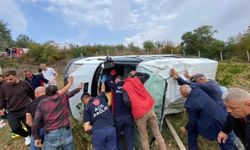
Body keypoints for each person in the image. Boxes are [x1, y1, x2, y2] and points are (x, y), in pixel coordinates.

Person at [32, 76, 83, 150]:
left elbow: (35, 123)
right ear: (56, 92)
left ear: (46, 93)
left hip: (51, 134)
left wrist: (37, 138)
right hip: (66, 132)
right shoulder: (63, 97)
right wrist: (79, 88)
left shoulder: (41, 104)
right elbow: (72, 93)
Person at [180, 85, 234, 150]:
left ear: (183, 95)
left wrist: (186, 128)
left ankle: (192, 148)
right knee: (228, 139)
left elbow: (192, 121)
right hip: (222, 115)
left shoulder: (190, 104)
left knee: (223, 141)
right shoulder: (198, 90)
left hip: (213, 123)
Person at [123, 71, 167, 150]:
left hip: (140, 114)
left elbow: (126, 101)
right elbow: (147, 75)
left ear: (124, 79)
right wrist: (136, 73)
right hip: (149, 109)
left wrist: (132, 107)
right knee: (157, 133)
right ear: (132, 76)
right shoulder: (138, 80)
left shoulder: (125, 87)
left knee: (144, 137)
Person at [0, 70, 35, 145]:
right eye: (6, 80)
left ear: (15, 76)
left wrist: (35, 104)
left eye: (10, 79)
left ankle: (33, 139)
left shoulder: (25, 84)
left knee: (30, 127)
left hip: (26, 109)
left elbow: (32, 94)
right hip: (11, 111)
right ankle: (26, 135)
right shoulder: (3, 86)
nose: (8, 81)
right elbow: (2, 99)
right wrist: (0, 108)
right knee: (15, 129)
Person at [82, 82, 116, 150]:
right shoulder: (101, 97)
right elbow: (103, 89)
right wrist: (103, 81)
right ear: (90, 96)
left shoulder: (86, 108)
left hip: (98, 132)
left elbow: (86, 128)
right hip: (111, 129)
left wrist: (96, 125)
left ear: (84, 102)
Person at [105, 69, 134, 150]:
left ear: (117, 80)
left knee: (117, 138)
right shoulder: (127, 86)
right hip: (128, 116)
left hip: (117, 117)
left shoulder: (114, 86)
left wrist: (111, 74)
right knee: (129, 137)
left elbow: (107, 81)